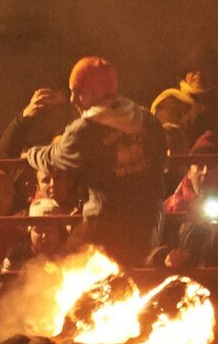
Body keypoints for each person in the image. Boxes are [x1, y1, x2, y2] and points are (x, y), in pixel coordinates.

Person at [23, 56, 167, 267]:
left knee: (67, 270)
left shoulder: (85, 131)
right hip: (150, 221)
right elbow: (161, 160)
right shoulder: (146, 118)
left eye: (79, 91)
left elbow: (53, 159)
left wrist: (30, 154)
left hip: (105, 225)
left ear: (97, 93)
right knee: (133, 280)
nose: (73, 99)